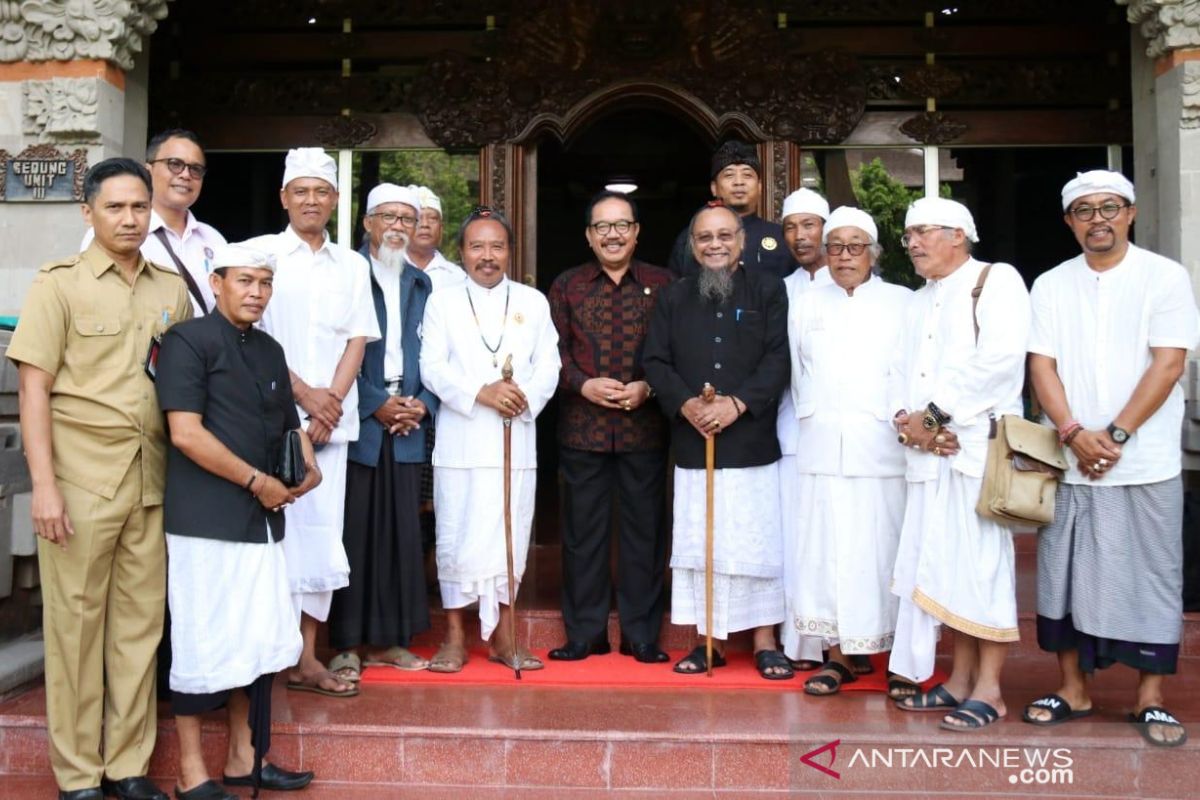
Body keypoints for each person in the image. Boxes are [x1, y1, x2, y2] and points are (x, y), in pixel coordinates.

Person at [9, 158, 192, 800]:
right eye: (114, 207)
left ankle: (128, 766)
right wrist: (46, 488)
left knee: (140, 631)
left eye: (139, 207)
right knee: (76, 632)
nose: (129, 218)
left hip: (150, 482)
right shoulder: (57, 285)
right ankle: (79, 776)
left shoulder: (170, 289)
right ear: (87, 213)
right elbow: (34, 391)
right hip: (81, 483)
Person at [1023, 170, 1199, 747]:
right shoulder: (1050, 284)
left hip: (1142, 461)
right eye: (1083, 210)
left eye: (1109, 207)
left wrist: (1117, 436)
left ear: (1130, 213)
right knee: (1063, 575)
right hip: (1070, 457)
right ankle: (1073, 689)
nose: (1097, 218)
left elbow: (1169, 364)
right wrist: (1074, 433)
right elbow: (1041, 366)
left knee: (1152, 572)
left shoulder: (1165, 277)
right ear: (1069, 221)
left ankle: (1151, 698)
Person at [157, 244, 319, 800]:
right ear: (216, 281)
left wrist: (310, 467)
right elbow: (185, 433)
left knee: (260, 641)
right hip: (206, 521)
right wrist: (256, 481)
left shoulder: (270, 350)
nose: (256, 292)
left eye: (265, 283)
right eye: (244, 281)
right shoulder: (187, 341)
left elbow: (290, 427)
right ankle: (191, 771)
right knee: (204, 642)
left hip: (263, 522)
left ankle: (245, 761)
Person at [889, 197, 1031, 732]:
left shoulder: (997, 281)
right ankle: (958, 681)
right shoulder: (916, 301)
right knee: (943, 569)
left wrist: (935, 415)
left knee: (983, 569)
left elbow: (999, 360)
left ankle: (990, 691)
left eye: (924, 232)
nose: (915, 243)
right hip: (929, 456)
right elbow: (897, 372)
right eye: (909, 235)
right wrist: (907, 420)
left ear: (959, 235)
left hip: (978, 452)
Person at [244, 148, 379, 698]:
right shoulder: (260, 254)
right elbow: (253, 330)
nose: (311, 200)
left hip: (331, 426)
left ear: (335, 201)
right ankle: (265, 655)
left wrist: (332, 403)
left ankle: (306, 656)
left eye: (321, 191)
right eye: (300, 191)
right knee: (272, 540)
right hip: (273, 418)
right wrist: (306, 398)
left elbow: (358, 339)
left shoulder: (353, 264)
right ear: (283, 198)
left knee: (321, 540)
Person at [643, 202, 792, 679]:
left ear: (741, 240)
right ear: (692, 245)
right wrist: (687, 404)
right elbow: (656, 362)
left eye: (724, 236)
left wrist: (737, 404)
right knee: (701, 543)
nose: (715, 245)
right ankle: (709, 641)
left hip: (751, 443)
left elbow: (777, 359)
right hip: (694, 443)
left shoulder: (769, 291)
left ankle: (766, 640)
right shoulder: (673, 296)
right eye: (705, 237)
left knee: (757, 545)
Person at [419, 207, 561, 673]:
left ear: (510, 253)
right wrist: (482, 392)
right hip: (462, 442)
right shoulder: (442, 301)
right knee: (455, 537)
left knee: (510, 534)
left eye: (496, 246)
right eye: (477, 246)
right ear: (461, 253)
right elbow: (433, 367)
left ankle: (504, 635)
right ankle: (455, 636)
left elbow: (550, 365)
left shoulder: (532, 302)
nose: (487, 256)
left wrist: (522, 399)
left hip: (513, 440)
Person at [783, 206, 914, 697]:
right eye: (835, 246)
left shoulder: (903, 302)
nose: (843, 256)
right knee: (828, 555)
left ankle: (900, 660)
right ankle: (837, 657)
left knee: (884, 554)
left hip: (882, 451)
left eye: (855, 246)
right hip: (821, 449)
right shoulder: (805, 303)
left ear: (873, 253)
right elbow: (795, 372)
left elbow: (909, 373)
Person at [547, 190, 674, 663]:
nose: (613, 234)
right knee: (583, 535)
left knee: (645, 534)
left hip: (645, 430)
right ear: (589, 235)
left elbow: (677, 351)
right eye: (603, 226)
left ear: (637, 232)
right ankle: (585, 634)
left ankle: (642, 635)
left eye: (622, 225)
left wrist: (649, 387)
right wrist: (581, 385)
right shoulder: (567, 286)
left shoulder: (666, 285)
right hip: (583, 428)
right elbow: (550, 352)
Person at [328, 184, 437, 679]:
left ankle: (394, 639)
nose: (397, 226)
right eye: (387, 216)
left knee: (402, 532)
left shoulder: (424, 284)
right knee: (355, 531)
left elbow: (437, 354)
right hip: (359, 417)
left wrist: (422, 404)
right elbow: (331, 347)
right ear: (368, 223)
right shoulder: (346, 273)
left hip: (407, 419)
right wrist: (376, 403)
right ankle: (347, 642)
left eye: (407, 219)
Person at [774, 187, 832, 670]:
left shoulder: (862, 288)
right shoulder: (782, 288)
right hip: (791, 433)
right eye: (791, 227)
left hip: (850, 439)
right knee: (797, 539)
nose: (801, 236)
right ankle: (802, 642)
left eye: (810, 225)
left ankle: (846, 639)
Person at [81, 129, 226, 315]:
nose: (185, 175)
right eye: (175, 164)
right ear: (148, 171)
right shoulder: (114, 231)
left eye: (195, 169)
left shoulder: (212, 238)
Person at [667, 140, 794, 280]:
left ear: (759, 186)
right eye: (729, 175)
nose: (739, 182)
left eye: (747, 175)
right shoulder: (692, 238)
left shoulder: (781, 236)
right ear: (714, 188)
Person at [407, 184, 466, 291]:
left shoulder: (457, 277)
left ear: (441, 228)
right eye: (417, 218)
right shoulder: (388, 270)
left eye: (432, 218)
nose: (425, 224)